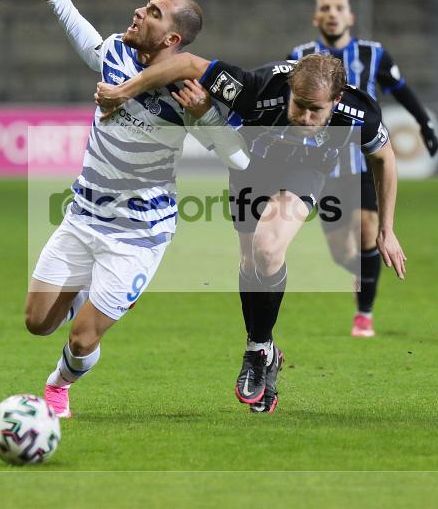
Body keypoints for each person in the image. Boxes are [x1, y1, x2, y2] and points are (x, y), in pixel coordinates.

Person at [95, 51, 406, 414]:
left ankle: (257, 349)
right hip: (250, 168)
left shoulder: (359, 112)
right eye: (299, 105)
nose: (306, 118)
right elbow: (185, 64)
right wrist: (123, 91)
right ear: (290, 88)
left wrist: (386, 229)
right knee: (251, 262)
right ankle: (268, 351)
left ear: (336, 100)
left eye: (316, 111)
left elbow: (384, 159)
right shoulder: (256, 86)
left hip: (306, 170)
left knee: (269, 248)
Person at [27, 0, 249, 418]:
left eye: (152, 11)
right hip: (83, 216)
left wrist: (205, 115)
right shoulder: (116, 52)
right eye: (144, 3)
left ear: (171, 38)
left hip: (137, 234)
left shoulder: (191, 92)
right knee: (37, 323)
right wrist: (60, 0)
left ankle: (57, 386)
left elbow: (239, 158)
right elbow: (90, 45)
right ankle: (79, 302)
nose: (139, 12)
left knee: (81, 338)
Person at [288, 0, 438, 337]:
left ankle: (364, 314)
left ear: (350, 17)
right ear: (316, 17)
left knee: (369, 228)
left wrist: (425, 123)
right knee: (342, 249)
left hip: (364, 160)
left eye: (339, 7)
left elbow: (401, 89)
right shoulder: (300, 56)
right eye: (324, 8)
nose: (332, 13)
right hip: (322, 163)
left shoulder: (374, 54)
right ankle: (360, 270)